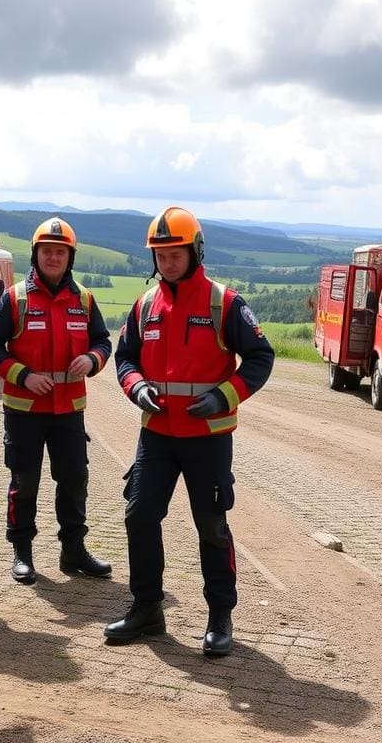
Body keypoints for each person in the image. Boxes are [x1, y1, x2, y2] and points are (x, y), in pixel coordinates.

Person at [105, 207, 274, 656]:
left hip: (208, 439)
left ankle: (220, 616)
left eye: (176, 253)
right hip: (157, 435)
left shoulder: (225, 303)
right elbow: (125, 359)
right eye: (160, 254)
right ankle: (147, 609)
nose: (168, 262)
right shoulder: (144, 306)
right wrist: (135, 386)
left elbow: (260, 358)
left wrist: (224, 396)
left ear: (195, 251)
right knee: (139, 517)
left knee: (211, 526)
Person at [0, 217, 112, 584]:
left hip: (69, 411)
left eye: (60, 252)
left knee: (74, 480)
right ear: (35, 254)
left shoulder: (84, 299)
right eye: (46, 251)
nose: (53, 258)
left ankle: (73, 551)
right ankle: (22, 554)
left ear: (69, 257)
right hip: (24, 412)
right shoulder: (15, 298)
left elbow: (103, 342)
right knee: (24, 483)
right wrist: (23, 375)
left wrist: (92, 359)